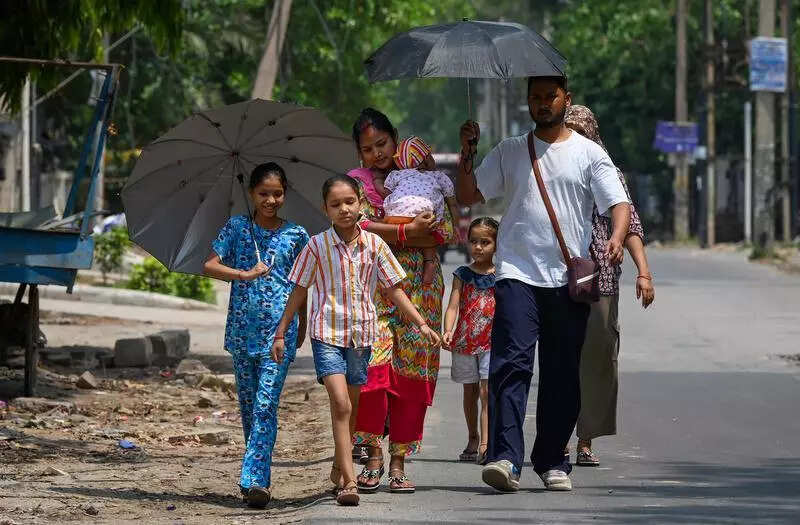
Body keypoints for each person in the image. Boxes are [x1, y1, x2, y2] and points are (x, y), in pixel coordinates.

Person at [456, 76, 632, 492]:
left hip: (567, 279)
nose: (542, 103)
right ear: (528, 103)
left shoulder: (589, 154)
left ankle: (552, 459)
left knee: (561, 371)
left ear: (565, 100)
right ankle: (504, 457)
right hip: (516, 271)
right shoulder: (511, 150)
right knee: (510, 364)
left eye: (549, 96)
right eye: (534, 97)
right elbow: (469, 195)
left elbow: (619, 203)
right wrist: (467, 153)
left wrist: (617, 237)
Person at [271, 175, 440, 506]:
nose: (344, 209)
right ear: (326, 209)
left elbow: (393, 288)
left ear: (361, 203)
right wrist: (282, 332)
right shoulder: (316, 246)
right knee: (342, 404)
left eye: (350, 202)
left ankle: (339, 463)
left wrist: (420, 322)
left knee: (352, 405)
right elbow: (300, 289)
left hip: (362, 336)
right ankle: (349, 482)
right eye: (336, 204)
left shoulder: (375, 245)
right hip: (327, 335)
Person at [348, 107, 456, 494]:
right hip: (372, 285)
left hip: (422, 287)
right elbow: (353, 227)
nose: (376, 153)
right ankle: (373, 454)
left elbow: (443, 231)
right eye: (367, 148)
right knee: (373, 371)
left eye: (382, 144)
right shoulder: (354, 187)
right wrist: (410, 231)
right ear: (358, 153)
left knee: (412, 374)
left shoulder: (421, 177)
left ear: (395, 140)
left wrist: (404, 234)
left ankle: (398, 462)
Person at [203, 162, 310, 509]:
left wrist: (302, 324)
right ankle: (255, 479)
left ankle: (255, 479)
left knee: (266, 404)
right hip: (240, 332)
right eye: (264, 193)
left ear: (285, 195)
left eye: (277, 193)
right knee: (250, 409)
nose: (271, 200)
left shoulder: (297, 236)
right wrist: (243, 273)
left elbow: (302, 284)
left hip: (279, 334)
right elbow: (210, 264)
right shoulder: (237, 227)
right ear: (251, 194)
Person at [563, 104, 655, 466]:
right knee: (562, 358)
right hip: (556, 274)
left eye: (582, 134)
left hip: (601, 277)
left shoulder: (609, 172)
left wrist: (643, 272)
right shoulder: (552, 168)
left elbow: (630, 225)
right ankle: (557, 437)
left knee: (599, 358)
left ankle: (585, 439)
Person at [442, 217, 499, 465]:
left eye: (485, 242)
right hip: (464, 342)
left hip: (491, 342)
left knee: (487, 392)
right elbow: (453, 305)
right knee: (470, 391)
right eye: (474, 241)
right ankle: (472, 437)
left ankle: (486, 443)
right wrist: (447, 330)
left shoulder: (502, 274)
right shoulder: (462, 274)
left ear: (497, 244)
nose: (478, 247)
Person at [380, 135, 461, 285]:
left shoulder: (396, 174)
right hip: (424, 219)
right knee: (434, 232)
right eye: (430, 155)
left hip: (394, 219)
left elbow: (386, 193)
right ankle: (429, 261)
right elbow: (453, 204)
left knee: (394, 230)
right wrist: (456, 226)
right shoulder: (438, 176)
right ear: (426, 159)